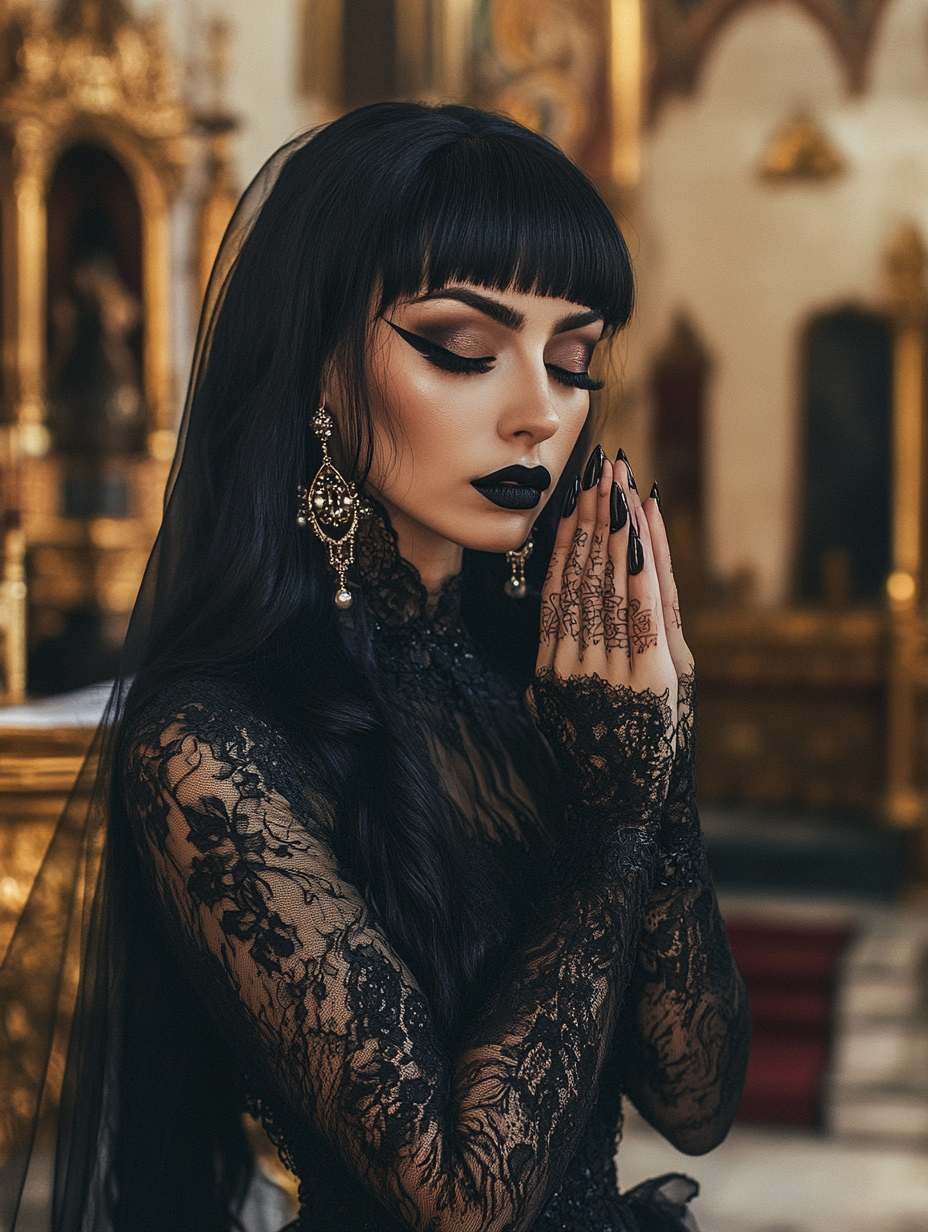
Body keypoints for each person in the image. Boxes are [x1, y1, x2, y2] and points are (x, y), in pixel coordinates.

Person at [0, 102, 750, 1232]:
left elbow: (695, 1102)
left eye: (575, 355)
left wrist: (654, 758)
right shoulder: (208, 745)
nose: (540, 412)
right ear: (317, 359)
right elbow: (460, 1195)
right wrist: (610, 821)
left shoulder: (547, 681)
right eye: (462, 346)